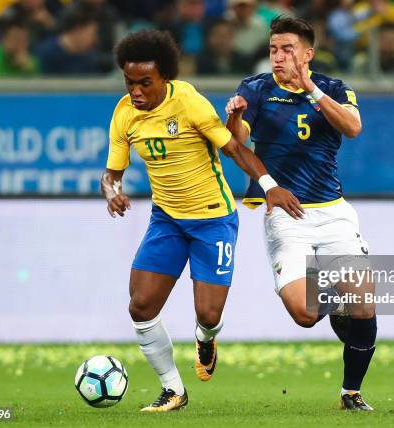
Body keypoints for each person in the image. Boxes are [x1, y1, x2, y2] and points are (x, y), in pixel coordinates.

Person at [102, 29, 301, 412]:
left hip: (213, 220)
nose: (136, 91)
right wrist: (112, 191)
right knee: (141, 307)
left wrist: (268, 184)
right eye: (130, 82)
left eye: (146, 83)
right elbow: (111, 173)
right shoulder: (124, 113)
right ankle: (173, 390)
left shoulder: (189, 102)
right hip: (167, 221)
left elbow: (234, 148)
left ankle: (206, 338)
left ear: (165, 79)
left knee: (208, 315)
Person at [225, 17, 377, 411]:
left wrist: (309, 88)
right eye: (274, 48)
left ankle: (351, 393)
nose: (278, 56)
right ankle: (335, 303)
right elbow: (236, 145)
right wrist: (235, 118)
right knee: (305, 314)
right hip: (285, 214)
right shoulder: (255, 89)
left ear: (307, 53)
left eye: (287, 48)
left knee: (364, 303)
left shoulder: (333, 88)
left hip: (333, 212)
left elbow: (353, 127)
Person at [35, 8, 99, 75]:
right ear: (77, 30)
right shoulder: (45, 54)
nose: (95, 40)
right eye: (92, 34)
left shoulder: (88, 58)